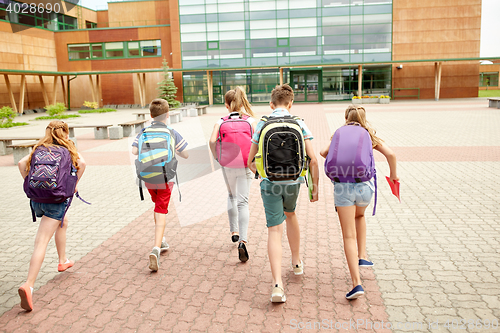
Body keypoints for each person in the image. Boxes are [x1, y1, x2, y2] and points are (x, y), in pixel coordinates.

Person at [247, 84, 319, 303]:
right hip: (293, 180)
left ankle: (277, 285)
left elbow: (250, 160)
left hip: (270, 182)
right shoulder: (299, 122)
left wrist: (261, 174)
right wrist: (314, 187)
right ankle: (296, 262)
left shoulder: (262, 123)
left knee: (274, 230)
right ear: (291, 103)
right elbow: (313, 159)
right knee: (291, 214)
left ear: (271, 104)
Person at [320, 105, 398, 300]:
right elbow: (391, 154)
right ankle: (362, 255)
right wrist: (394, 177)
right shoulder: (368, 135)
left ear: (346, 117)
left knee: (348, 236)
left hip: (343, 187)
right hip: (365, 187)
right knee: (360, 215)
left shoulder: (339, 133)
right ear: (363, 118)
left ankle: (356, 284)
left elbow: (323, 153)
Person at [17, 121, 86, 312]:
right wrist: (75, 183)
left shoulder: (39, 147)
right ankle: (28, 285)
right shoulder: (68, 148)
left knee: (63, 222)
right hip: (56, 200)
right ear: (64, 133)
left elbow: (22, 163)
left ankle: (63, 260)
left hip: (37, 199)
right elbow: (83, 164)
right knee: (41, 242)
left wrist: (28, 182)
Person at [132, 98, 189, 272]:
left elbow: (134, 151)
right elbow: (185, 154)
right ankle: (156, 248)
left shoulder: (143, 132)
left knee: (157, 207)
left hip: (148, 176)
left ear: (150, 115)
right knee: (161, 210)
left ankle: (161, 238)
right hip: (165, 177)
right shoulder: (171, 132)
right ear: (167, 114)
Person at [209, 87, 256, 262]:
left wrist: (217, 157)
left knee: (231, 196)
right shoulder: (251, 121)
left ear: (226, 105)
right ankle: (243, 240)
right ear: (242, 102)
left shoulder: (220, 122)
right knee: (243, 202)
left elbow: (212, 141)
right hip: (245, 164)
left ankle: (234, 231)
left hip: (227, 164)